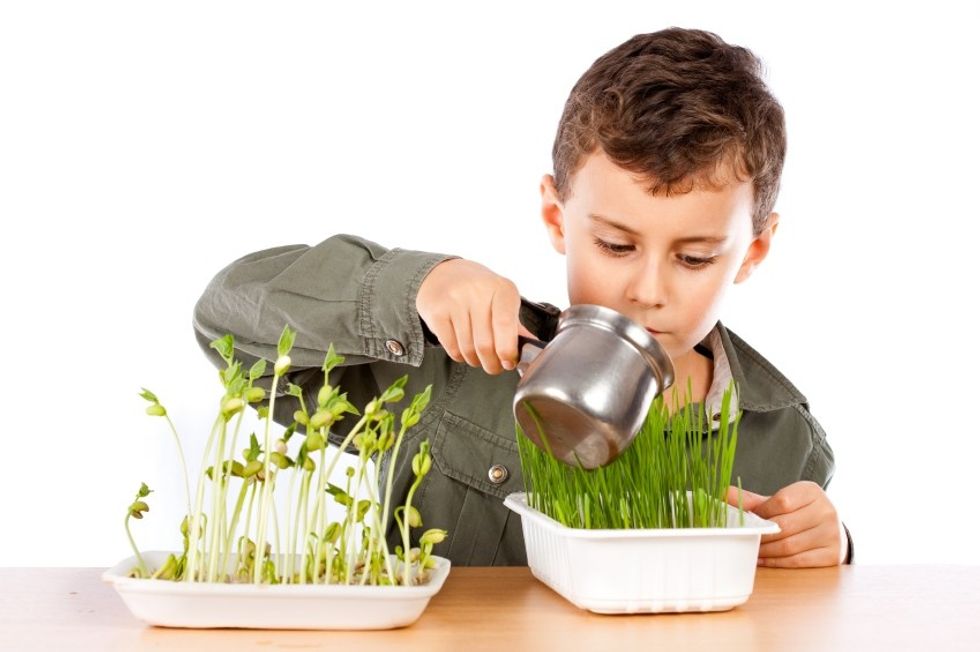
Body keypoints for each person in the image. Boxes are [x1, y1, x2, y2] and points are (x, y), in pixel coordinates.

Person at [193, 27, 852, 568]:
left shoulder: (785, 437)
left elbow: (801, 617)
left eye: (694, 257)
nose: (647, 291)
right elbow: (225, 319)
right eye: (617, 246)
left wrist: (832, 550)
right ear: (557, 217)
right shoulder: (455, 367)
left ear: (754, 251)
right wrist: (412, 287)